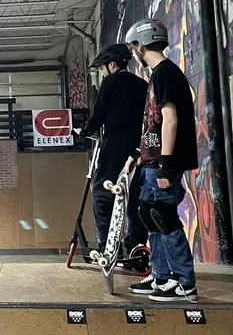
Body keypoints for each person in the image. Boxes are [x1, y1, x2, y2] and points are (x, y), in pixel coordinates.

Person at [124, 20, 199, 302]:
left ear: (140, 46)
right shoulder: (158, 75)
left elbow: (170, 120)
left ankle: (184, 282)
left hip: (164, 163)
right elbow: (153, 126)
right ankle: (162, 275)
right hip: (152, 161)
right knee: (148, 213)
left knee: (163, 217)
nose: (134, 53)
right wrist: (138, 153)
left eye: (133, 47)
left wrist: (165, 163)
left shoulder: (166, 73)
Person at [78, 43, 149, 254]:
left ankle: (108, 246)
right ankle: (135, 245)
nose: (101, 72)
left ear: (112, 64)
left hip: (115, 142)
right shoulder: (142, 85)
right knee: (135, 195)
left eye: (102, 68)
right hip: (138, 143)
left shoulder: (109, 83)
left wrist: (83, 130)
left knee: (102, 191)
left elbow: (98, 116)